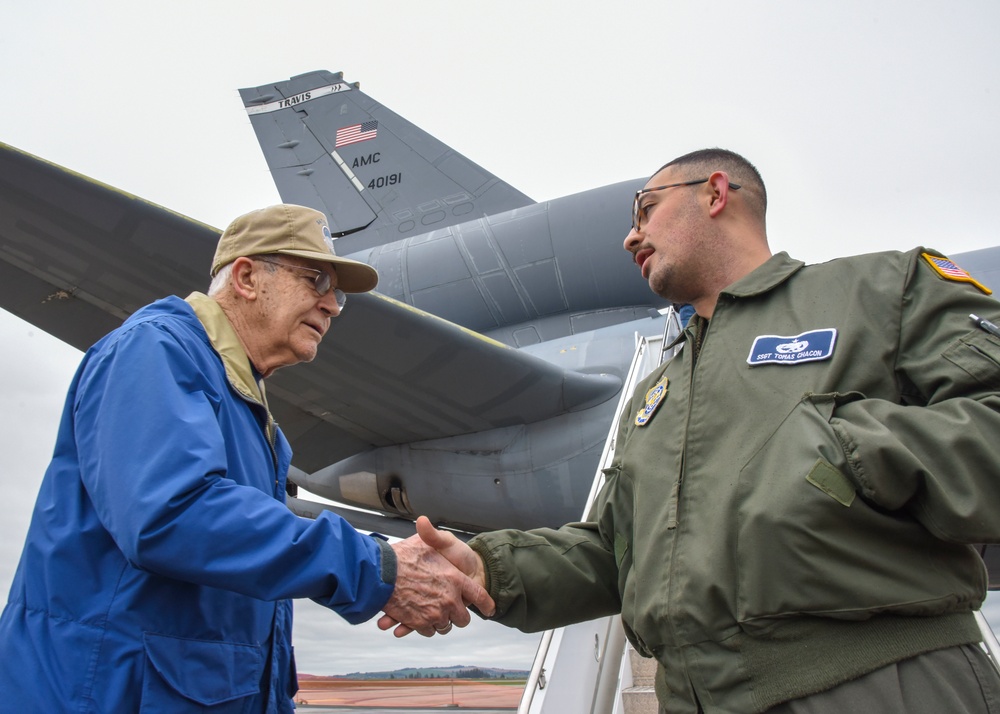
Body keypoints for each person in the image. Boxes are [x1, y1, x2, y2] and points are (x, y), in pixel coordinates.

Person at [388, 149, 1000, 713]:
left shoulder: (883, 290)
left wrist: (834, 453)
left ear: (714, 193)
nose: (630, 235)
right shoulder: (656, 397)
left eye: (647, 210)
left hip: (879, 682)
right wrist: (487, 567)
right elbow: (611, 553)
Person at [0, 204, 492, 712]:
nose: (333, 306)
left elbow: (245, 569)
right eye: (316, 279)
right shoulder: (155, 350)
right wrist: (377, 566)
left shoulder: (248, 413)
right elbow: (173, 514)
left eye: (338, 292)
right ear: (247, 277)